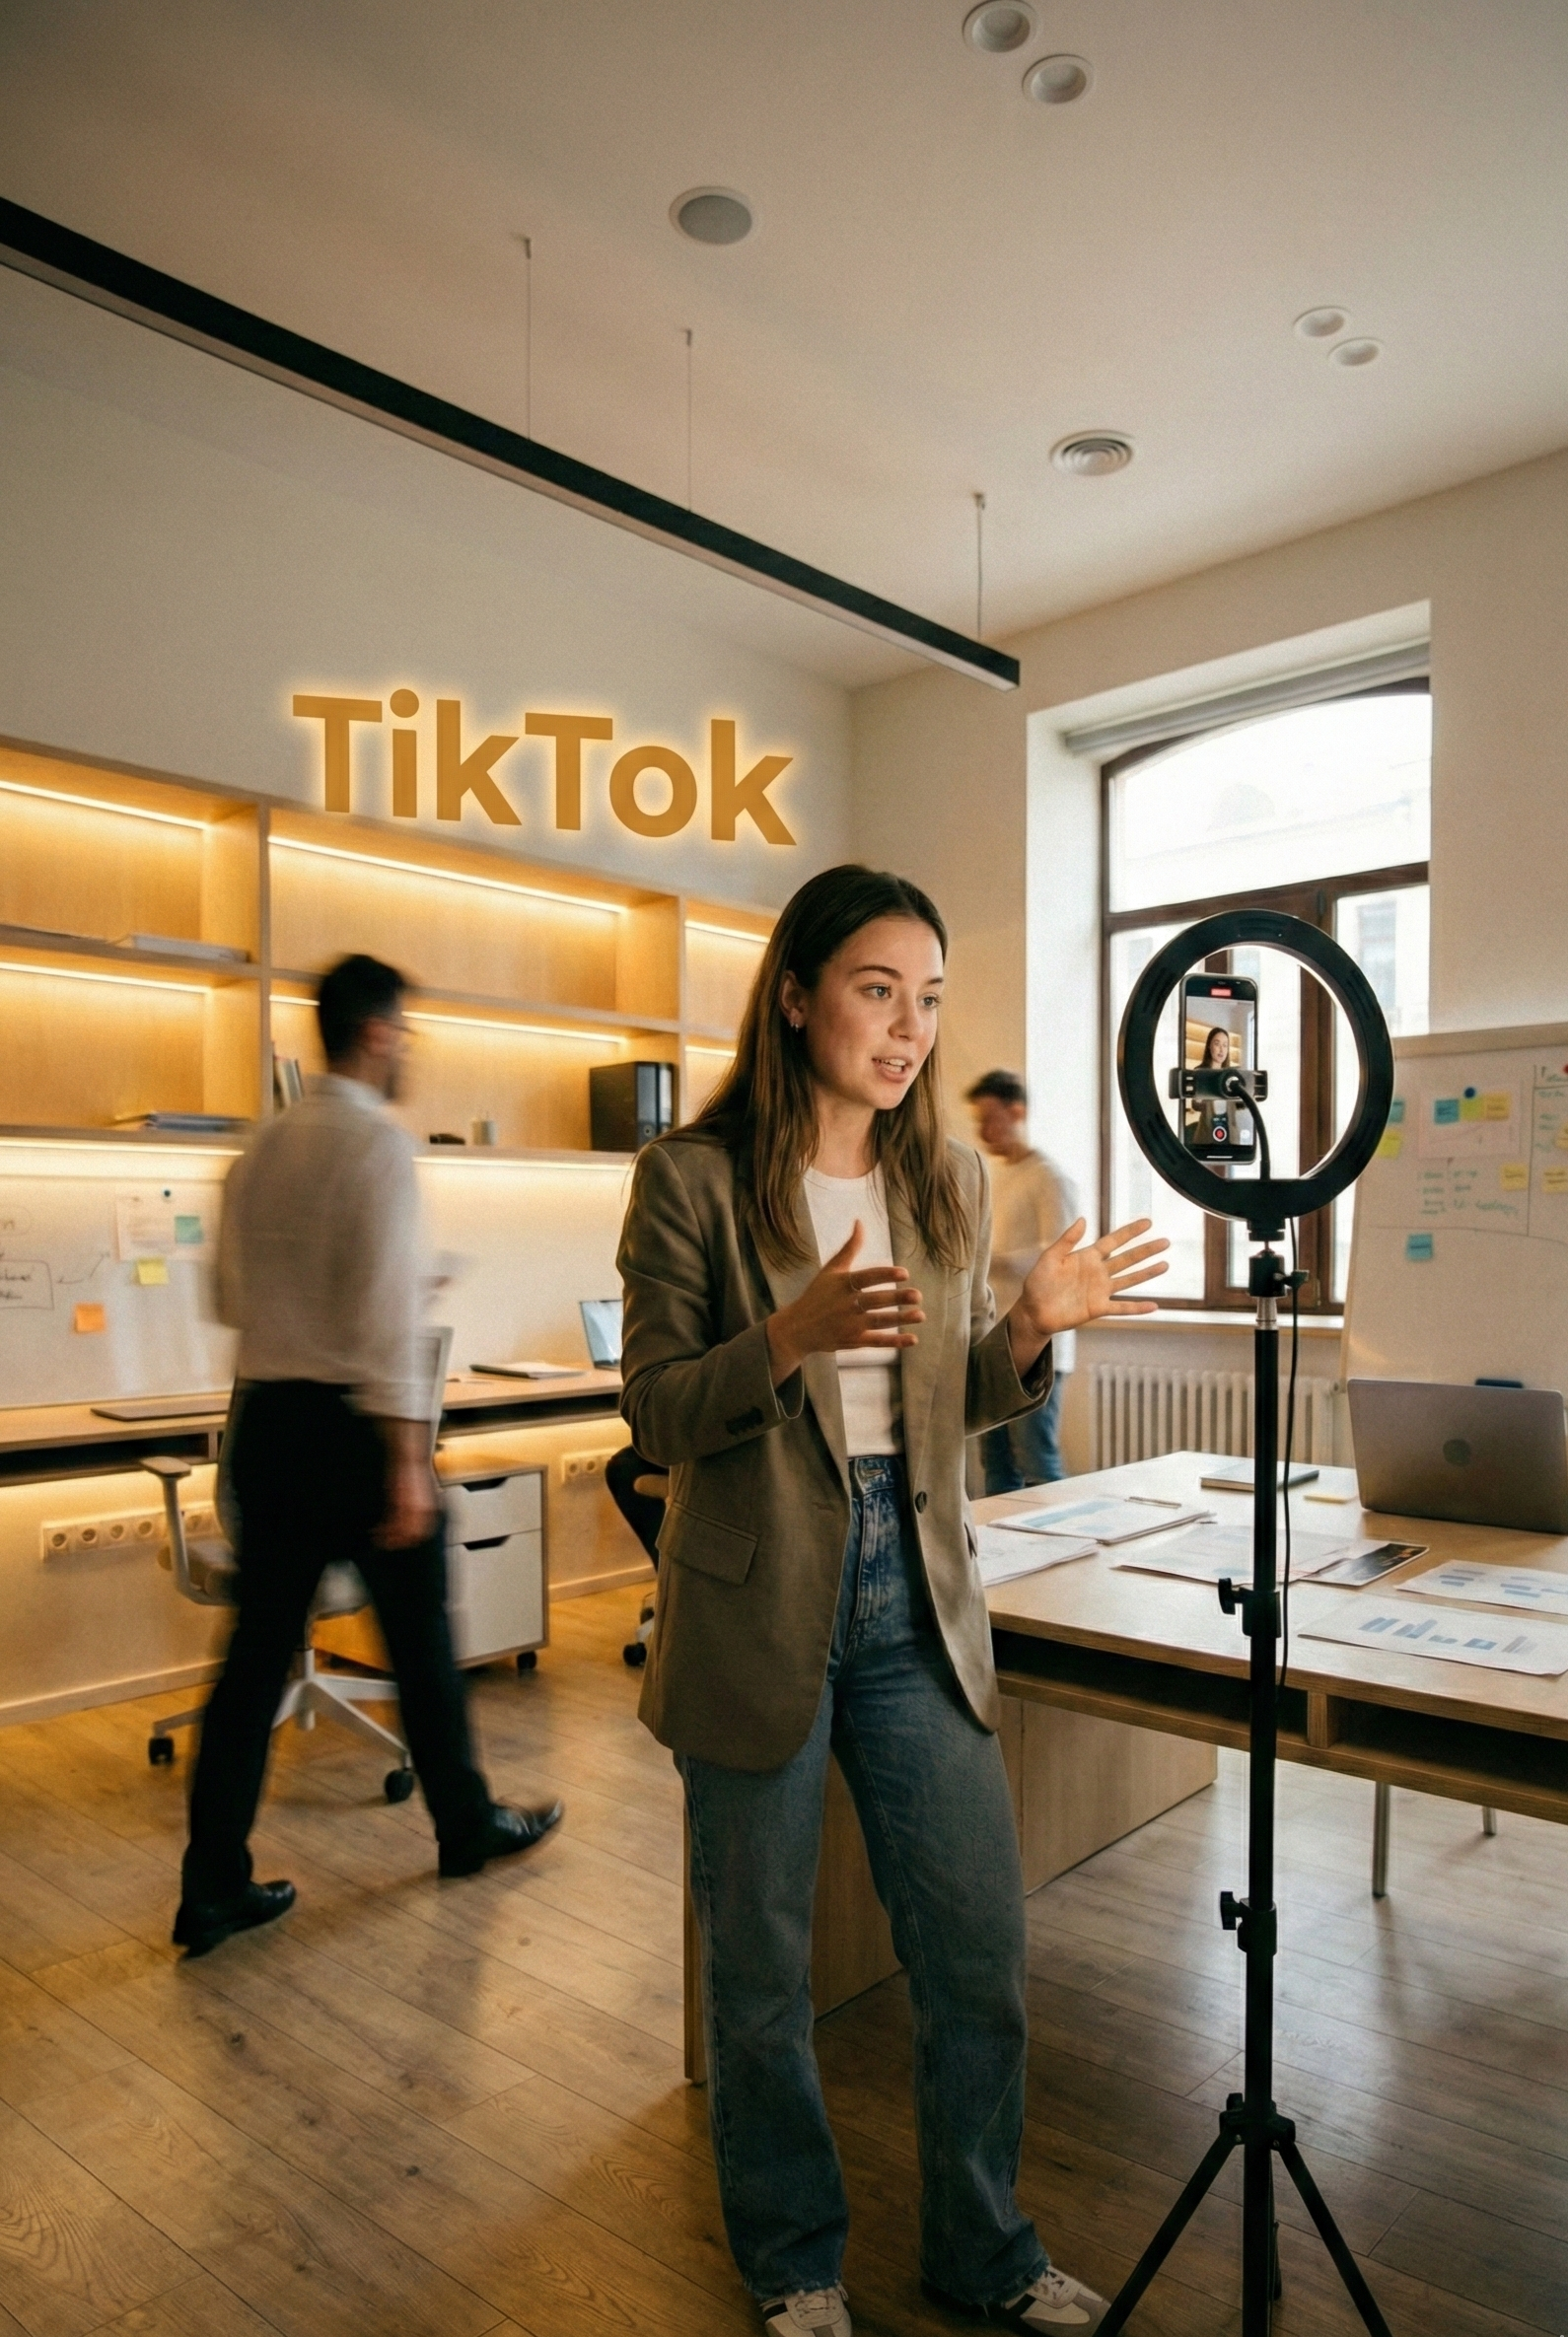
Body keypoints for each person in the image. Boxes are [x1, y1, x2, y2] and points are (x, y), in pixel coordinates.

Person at [616, 866, 1166, 2336]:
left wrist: (1032, 1331)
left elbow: (945, 1409)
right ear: (794, 993)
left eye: (928, 996)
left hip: (913, 1593)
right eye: (877, 989)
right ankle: (795, 2262)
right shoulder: (689, 1176)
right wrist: (782, 1339)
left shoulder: (945, 1176)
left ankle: (981, 2250)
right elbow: (657, 1413)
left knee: (975, 1951)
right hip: (754, 1599)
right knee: (760, 1981)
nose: (909, 1026)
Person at [173, 953, 563, 1958]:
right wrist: (403, 1462)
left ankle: (210, 1884)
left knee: (253, 1663)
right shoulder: (379, 1149)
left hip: (265, 1422)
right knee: (423, 1635)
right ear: (381, 1033)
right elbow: (387, 1320)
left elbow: (227, 1301)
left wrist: (312, 1312)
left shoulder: (255, 1153)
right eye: (408, 1036)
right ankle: (464, 1825)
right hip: (355, 1428)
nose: (409, 1053)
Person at [964, 1070, 1078, 1492]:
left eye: (989, 1118)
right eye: (978, 1120)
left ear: (1017, 1112)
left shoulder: (1049, 1178)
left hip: (1037, 1345)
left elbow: (1060, 1256)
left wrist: (989, 1260)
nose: (982, 1130)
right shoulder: (994, 1175)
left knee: (1037, 1462)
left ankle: (1061, 1550)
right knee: (994, 1464)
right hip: (993, 1342)